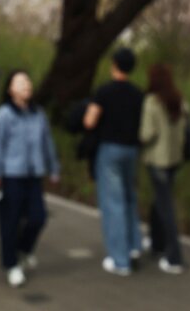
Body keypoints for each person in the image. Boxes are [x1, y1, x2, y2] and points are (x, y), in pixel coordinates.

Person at [0, 70, 59, 288]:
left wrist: (53, 167)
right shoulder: (3, 115)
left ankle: (24, 249)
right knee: (10, 222)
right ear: (10, 89)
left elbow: (47, 142)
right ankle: (11, 265)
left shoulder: (38, 114)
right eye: (20, 82)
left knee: (38, 217)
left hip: (33, 174)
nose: (26, 85)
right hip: (11, 176)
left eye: (27, 81)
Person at [83, 47, 144, 276]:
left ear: (114, 65)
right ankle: (134, 246)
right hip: (132, 150)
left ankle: (120, 260)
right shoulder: (139, 94)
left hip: (110, 150)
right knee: (129, 199)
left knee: (113, 203)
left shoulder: (104, 91)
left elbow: (90, 121)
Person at [140, 63, 190, 273]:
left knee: (165, 206)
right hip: (174, 160)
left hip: (157, 160)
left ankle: (174, 257)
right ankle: (156, 242)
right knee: (159, 200)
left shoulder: (152, 102)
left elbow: (146, 134)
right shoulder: (180, 100)